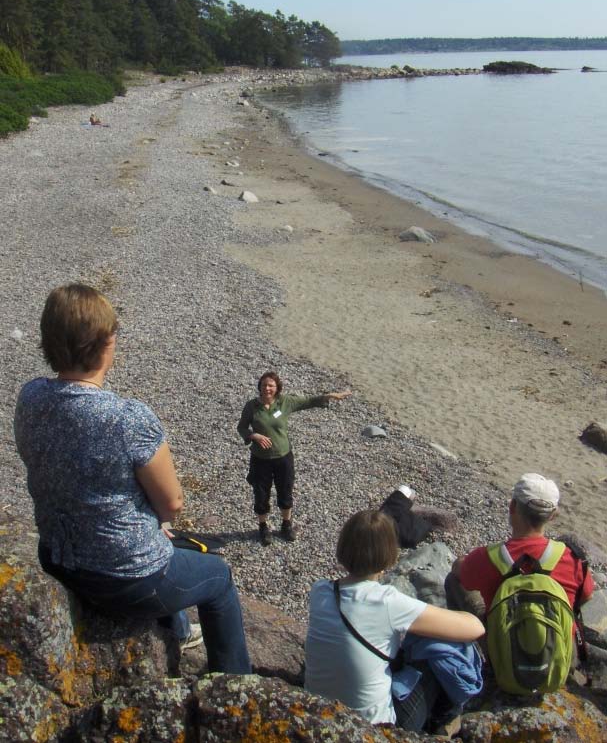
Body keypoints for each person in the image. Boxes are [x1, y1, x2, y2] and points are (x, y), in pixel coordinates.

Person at [14, 283, 250, 674]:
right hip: (124, 579)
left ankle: (175, 630)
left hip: (56, 557)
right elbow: (171, 503)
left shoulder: (31, 396)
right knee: (219, 577)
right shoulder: (128, 418)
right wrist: (154, 524)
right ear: (105, 344)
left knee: (154, 535)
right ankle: (236, 683)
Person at [305, 510, 484, 732]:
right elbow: (475, 628)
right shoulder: (387, 602)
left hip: (318, 715)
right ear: (389, 554)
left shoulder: (320, 591)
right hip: (374, 728)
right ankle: (440, 726)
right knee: (448, 648)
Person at [447, 473, 594, 617]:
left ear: (512, 506)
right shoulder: (573, 559)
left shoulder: (488, 557)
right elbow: (586, 596)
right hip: (561, 640)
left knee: (453, 580)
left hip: (500, 639)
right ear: (553, 516)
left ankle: (463, 637)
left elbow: (459, 571)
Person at [237, 371, 351, 545]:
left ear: (277, 388)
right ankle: (263, 526)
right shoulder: (251, 406)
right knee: (261, 493)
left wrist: (328, 396)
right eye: (264, 385)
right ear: (259, 386)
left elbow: (308, 401)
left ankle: (286, 524)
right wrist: (254, 436)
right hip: (260, 459)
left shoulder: (285, 402)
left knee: (285, 490)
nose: (267, 388)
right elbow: (242, 428)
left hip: (283, 457)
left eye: (271, 385)